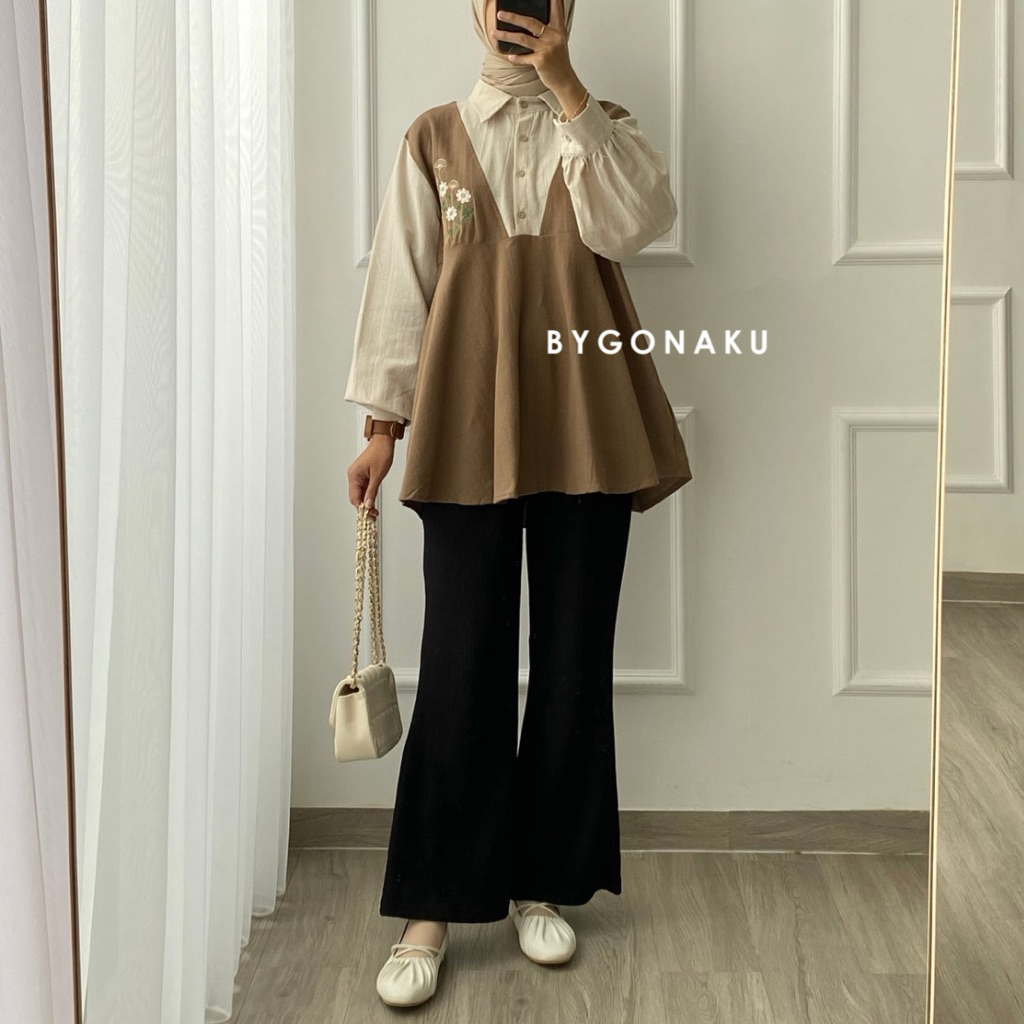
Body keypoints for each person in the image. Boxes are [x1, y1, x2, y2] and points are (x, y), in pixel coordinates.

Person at [343, 0, 692, 1007]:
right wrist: (382, 425)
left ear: (567, 10)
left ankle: (544, 879)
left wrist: (570, 89)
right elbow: (401, 285)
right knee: (462, 663)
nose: (522, 13)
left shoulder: (603, 128)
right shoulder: (433, 138)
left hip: (589, 417)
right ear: (477, 12)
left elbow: (637, 223)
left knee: (574, 661)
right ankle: (432, 905)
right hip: (466, 421)